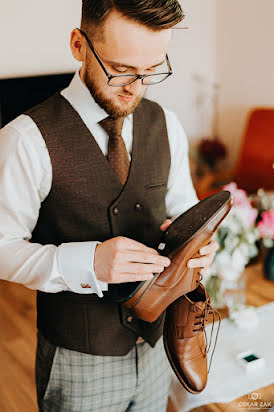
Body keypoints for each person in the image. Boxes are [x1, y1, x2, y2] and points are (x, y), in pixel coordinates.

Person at [0, 1, 219, 411]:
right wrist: (89, 262)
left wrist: (203, 247)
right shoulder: (24, 139)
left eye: (153, 69)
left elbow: (185, 210)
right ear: (78, 45)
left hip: (160, 345)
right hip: (78, 361)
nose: (137, 87)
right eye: (121, 69)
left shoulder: (166, 124)